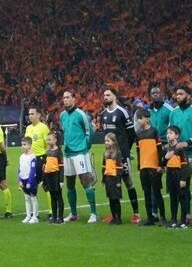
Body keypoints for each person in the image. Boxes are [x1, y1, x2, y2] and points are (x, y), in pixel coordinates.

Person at [99, 87, 140, 224]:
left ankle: (136, 213)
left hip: (122, 155)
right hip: (109, 156)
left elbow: (131, 133)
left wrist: (125, 150)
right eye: (104, 95)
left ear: (115, 96)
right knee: (111, 183)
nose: (105, 97)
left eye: (108, 95)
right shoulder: (103, 114)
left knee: (128, 181)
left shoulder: (122, 112)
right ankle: (114, 214)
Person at [59, 90, 98, 223]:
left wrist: (85, 146)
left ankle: (94, 213)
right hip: (68, 153)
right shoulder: (62, 115)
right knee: (70, 184)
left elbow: (90, 130)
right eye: (63, 97)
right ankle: (74, 213)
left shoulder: (81, 114)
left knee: (85, 181)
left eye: (67, 97)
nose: (65, 99)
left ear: (74, 99)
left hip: (80, 152)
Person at [134, 108, 165, 226]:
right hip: (144, 167)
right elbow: (138, 152)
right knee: (146, 193)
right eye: (137, 119)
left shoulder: (154, 131)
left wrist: (161, 165)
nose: (138, 121)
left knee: (157, 192)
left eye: (140, 118)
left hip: (154, 167)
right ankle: (150, 218)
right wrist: (139, 166)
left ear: (147, 119)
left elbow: (159, 149)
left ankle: (162, 217)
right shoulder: (138, 135)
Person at [24, 106, 50, 215]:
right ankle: (35, 213)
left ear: (38, 115)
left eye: (32, 114)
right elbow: (25, 145)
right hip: (30, 160)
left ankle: (51, 210)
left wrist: (47, 158)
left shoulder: (43, 128)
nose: (30, 116)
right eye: (29, 114)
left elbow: (48, 144)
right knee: (32, 185)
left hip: (40, 158)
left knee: (45, 185)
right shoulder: (28, 128)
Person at [163, 125, 190, 229]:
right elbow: (163, 163)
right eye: (167, 133)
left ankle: (183, 221)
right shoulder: (166, 148)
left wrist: (183, 179)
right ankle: (173, 219)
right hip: (170, 174)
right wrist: (165, 158)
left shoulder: (180, 149)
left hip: (179, 174)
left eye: (171, 133)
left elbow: (185, 165)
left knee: (182, 197)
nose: (168, 135)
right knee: (172, 197)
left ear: (177, 135)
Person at [101, 133, 124, 226]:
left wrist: (119, 180)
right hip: (108, 178)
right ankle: (114, 217)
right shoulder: (105, 153)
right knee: (110, 199)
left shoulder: (117, 153)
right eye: (105, 141)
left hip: (115, 178)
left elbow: (119, 167)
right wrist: (103, 179)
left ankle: (119, 218)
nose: (106, 142)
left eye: (108, 140)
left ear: (113, 142)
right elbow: (103, 167)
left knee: (116, 199)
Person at [42, 133, 65, 224]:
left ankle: (61, 217)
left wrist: (61, 180)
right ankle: (54, 217)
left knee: (58, 197)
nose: (47, 142)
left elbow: (61, 167)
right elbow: (45, 167)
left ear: (55, 140)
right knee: (52, 197)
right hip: (48, 176)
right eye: (47, 140)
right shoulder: (47, 152)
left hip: (56, 176)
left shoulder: (58, 152)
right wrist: (44, 180)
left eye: (49, 140)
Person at [18, 137, 39, 224]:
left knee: (33, 197)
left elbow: (33, 170)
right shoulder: (21, 156)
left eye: (24, 144)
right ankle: (28, 215)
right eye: (22, 144)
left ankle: (35, 216)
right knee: (26, 198)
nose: (22, 146)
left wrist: (30, 181)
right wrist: (19, 179)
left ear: (30, 145)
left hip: (31, 180)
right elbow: (19, 169)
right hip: (23, 179)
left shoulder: (32, 157)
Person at [167, 84, 192, 153]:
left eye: (181, 94)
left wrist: (187, 142)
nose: (178, 96)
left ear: (189, 96)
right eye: (177, 94)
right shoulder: (173, 112)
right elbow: (170, 131)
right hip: (177, 152)